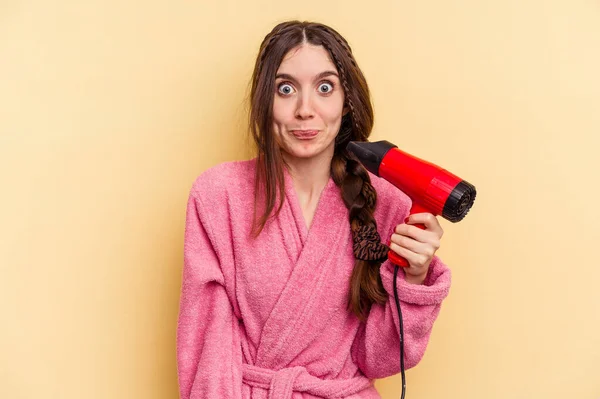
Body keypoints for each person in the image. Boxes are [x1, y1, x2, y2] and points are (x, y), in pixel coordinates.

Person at [176, 20, 451, 399]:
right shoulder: (219, 195)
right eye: (285, 89)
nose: (305, 110)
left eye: (325, 87)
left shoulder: (388, 203)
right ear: (263, 101)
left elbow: (379, 360)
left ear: (346, 100)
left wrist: (414, 279)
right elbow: (208, 348)